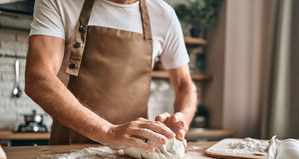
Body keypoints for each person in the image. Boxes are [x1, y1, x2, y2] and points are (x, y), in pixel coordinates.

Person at [25, 0, 197, 151]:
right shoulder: (60, 2)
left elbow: (184, 84)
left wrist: (182, 120)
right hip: (68, 151)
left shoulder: (164, 15)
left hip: (136, 153)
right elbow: (38, 78)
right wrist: (108, 132)